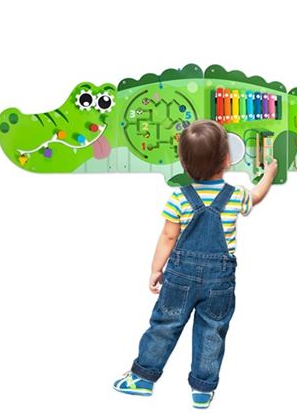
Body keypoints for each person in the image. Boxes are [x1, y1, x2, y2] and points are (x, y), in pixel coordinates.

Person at [113, 119, 277, 409]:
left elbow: (168, 237)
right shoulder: (236, 195)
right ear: (227, 159)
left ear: (184, 163)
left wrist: (156, 269)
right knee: (211, 330)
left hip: (180, 277)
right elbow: (257, 196)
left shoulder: (179, 197)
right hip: (219, 280)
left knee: (165, 324)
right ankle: (202, 389)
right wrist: (270, 175)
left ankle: (142, 378)